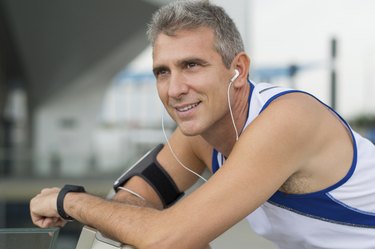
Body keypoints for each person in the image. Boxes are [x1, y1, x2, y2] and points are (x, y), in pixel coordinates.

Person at [30, 1, 375, 248]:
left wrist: (68, 201)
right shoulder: (198, 138)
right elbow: (131, 203)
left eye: (192, 65)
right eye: (163, 72)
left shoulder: (288, 118)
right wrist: (156, 228)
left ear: (238, 69)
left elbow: (162, 237)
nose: (175, 89)